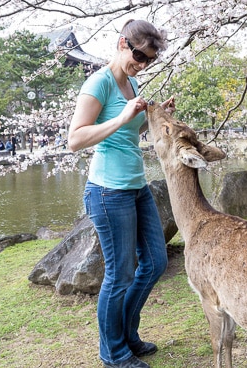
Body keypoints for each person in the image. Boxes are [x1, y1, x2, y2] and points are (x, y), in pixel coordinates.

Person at [68, 19, 175, 368]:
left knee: (156, 262)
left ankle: (127, 335)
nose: (142, 65)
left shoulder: (133, 81)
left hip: (136, 185)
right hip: (107, 191)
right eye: (140, 56)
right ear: (122, 43)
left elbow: (131, 127)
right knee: (120, 275)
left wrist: (155, 118)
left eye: (149, 61)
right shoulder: (98, 83)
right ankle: (113, 353)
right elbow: (76, 139)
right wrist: (124, 115)